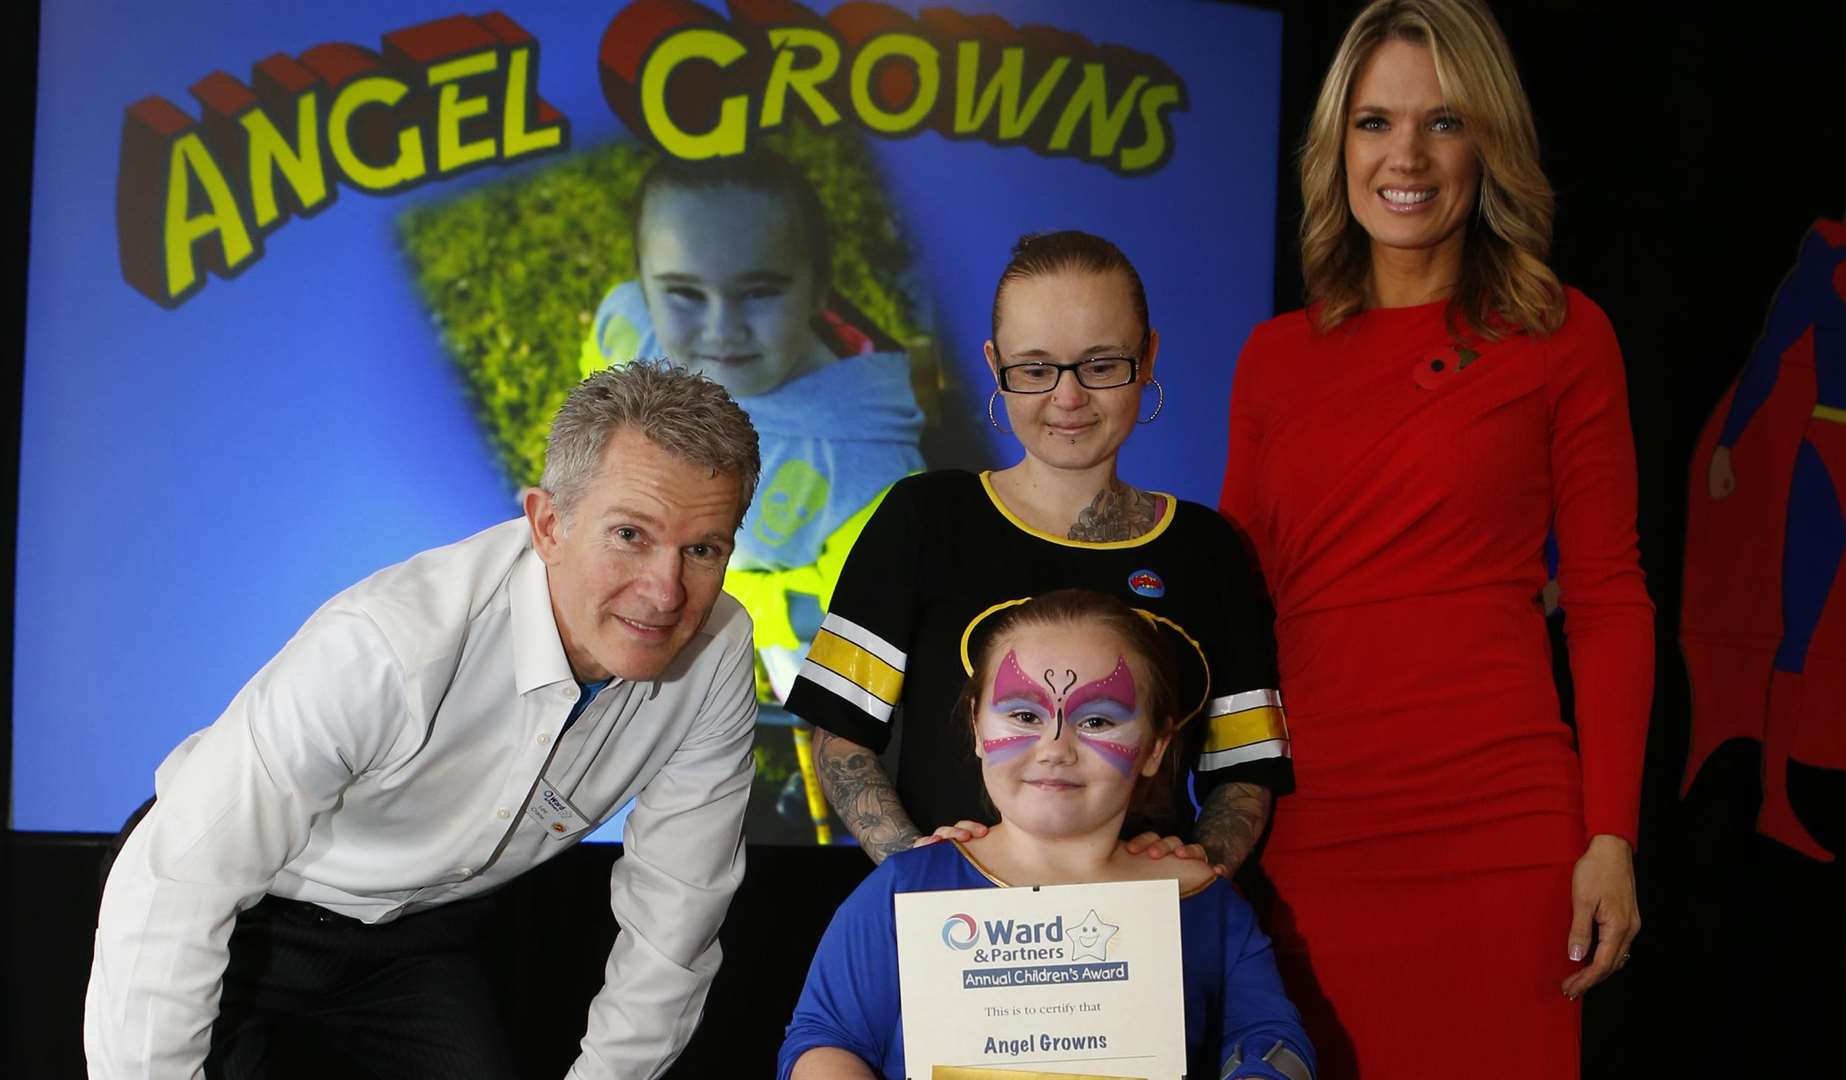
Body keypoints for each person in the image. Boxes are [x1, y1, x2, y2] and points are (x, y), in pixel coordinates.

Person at [85, 363, 762, 1078]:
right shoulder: (390, 642)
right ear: (548, 524)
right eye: (630, 534)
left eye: (703, 549)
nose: (664, 592)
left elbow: (674, 923)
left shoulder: (717, 655)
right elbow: (180, 883)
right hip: (250, 904)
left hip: (415, 936)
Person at [1218, 0, 1651, 1074]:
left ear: (1487, 143)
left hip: (1502, 835)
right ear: (1337, 147)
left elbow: (1606, 597)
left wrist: (1612, 836)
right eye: (1373, 122)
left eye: (1442, 121)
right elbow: (1233, 607)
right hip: (1312, 831)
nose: (1405, 155)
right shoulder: (1272, 359)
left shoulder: (1564, 336)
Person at [784, 230, 1292, 872]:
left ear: (1150, 356)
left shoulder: (1206, 548)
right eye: (1035, 369)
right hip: (954, 939)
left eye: (1102, 365)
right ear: (995, 366)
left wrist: (1197, 870)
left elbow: (1246, 767)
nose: (1068, 397)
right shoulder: (925, 518)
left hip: (1147, 938)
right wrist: (915, 868)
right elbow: (841, 731)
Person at [778, 590, 1315, 1080]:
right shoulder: (907, 890)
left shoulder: (1202, 901)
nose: (1055, 747)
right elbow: (826, 1042)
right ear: (977, 729)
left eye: (1098, 722)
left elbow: (1274, 1042)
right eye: (1023, 714)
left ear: (1155, 746)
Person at [582, 149, 925, 840]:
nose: (719, 327)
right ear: (645, 282)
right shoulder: (631, 324)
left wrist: (746, 611)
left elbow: (865, 628)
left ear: (818, 284)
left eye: (759, 291)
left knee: (825, 728)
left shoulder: (866, 469)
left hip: (789, 623)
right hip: (677, 589)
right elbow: (602, 383)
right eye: (681, 291)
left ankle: (820, 806)